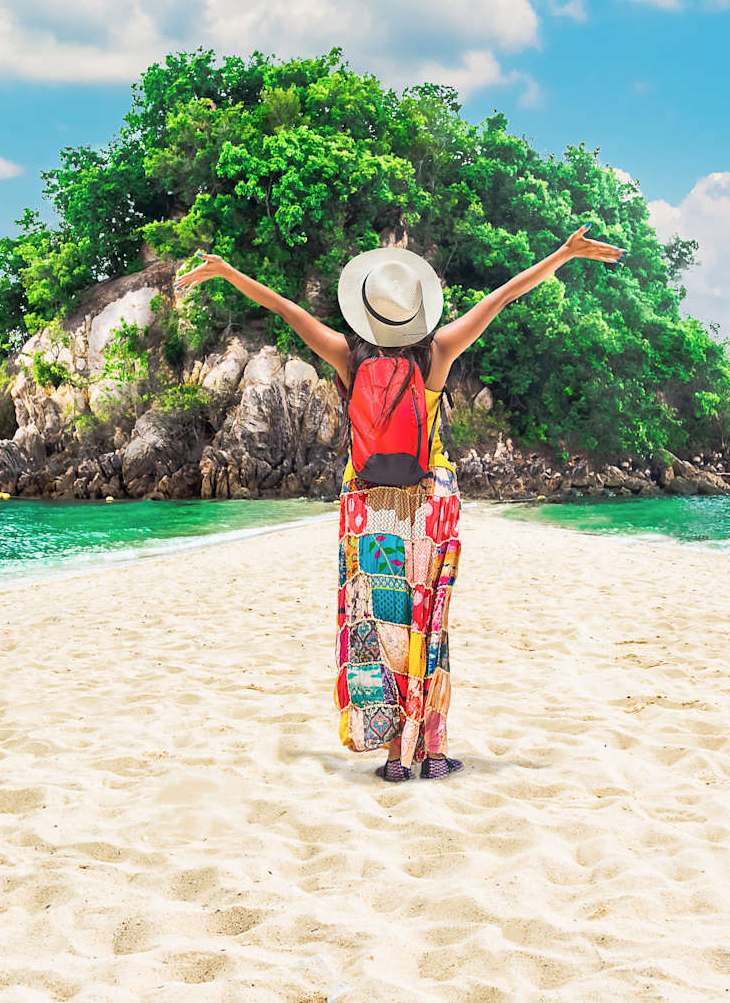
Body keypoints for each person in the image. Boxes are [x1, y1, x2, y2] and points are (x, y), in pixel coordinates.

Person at [173, 225, 625, 781]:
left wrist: (226, 272)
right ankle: (431, 752)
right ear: (417, 313)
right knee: (427, 624)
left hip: (368, 510)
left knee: (379, 622)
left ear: (366, 311)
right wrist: (562, 254)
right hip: (429, 509)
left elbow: (285, 308)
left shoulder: (347, 355)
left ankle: (392, 755)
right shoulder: (438, 353)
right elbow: (501, 297)